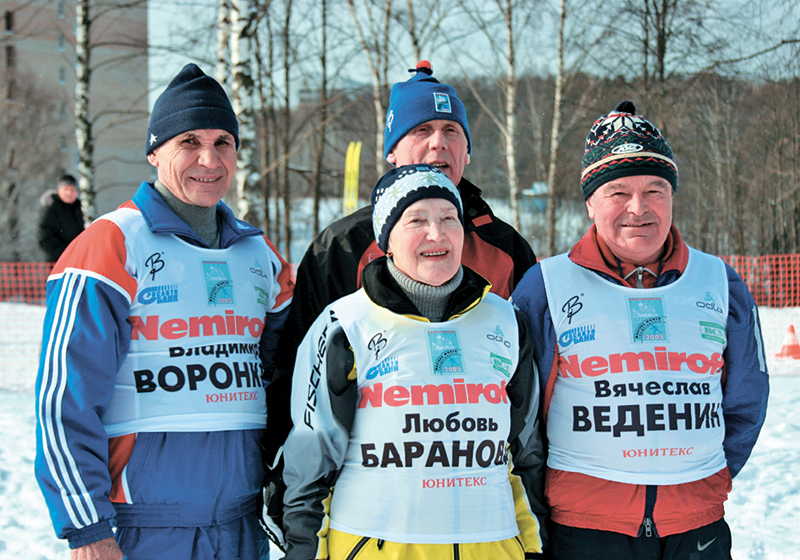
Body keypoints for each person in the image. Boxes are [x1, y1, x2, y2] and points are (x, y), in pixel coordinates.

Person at [34, 63, 294, 560]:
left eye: (223, 142)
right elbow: (63, 400)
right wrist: (87, 530)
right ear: (155, 153)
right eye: (189, 142)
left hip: (241, 524)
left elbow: (289, 384)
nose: (209, 159)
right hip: (141, 528)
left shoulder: (262, 256)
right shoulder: (111, 245)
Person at [261, 61, 537, 521]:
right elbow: (299, 376)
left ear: (467, 150)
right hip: (376, 508)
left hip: (480, 505)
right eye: (422, 129)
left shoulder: (506, 248)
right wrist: (285, 487)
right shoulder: (343, 247)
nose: (438, 143)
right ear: (393, 150)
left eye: (452, 131)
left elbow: (531, 394)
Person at [511, 100, 770, 560]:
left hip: (696, 523)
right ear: (590, 202)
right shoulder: (546, 285)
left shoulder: (718, 281)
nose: (639, 208)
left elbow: (747, 397)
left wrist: (707, 476)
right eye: (618, 192)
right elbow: (521, 414)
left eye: (655, 189)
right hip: (586, 525)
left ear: (672, 197)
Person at [281, 163, 546, 560]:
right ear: (387, 239)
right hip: (375, 546)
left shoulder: (506, 321)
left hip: (492, 546)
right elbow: (311, 466)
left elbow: (525, 454)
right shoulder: (345, 325)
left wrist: (535, 547)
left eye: (448, 218)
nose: (436, 234)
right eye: (416, 220)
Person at [38, 174, 85, 263]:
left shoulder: (82, 208)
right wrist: (67, 252)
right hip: (58, 262)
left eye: (72, 190)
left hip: (80, 260)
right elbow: (44, 238)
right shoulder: (51, 209)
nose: (69, 193)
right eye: (65, 189)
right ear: (59, 191)